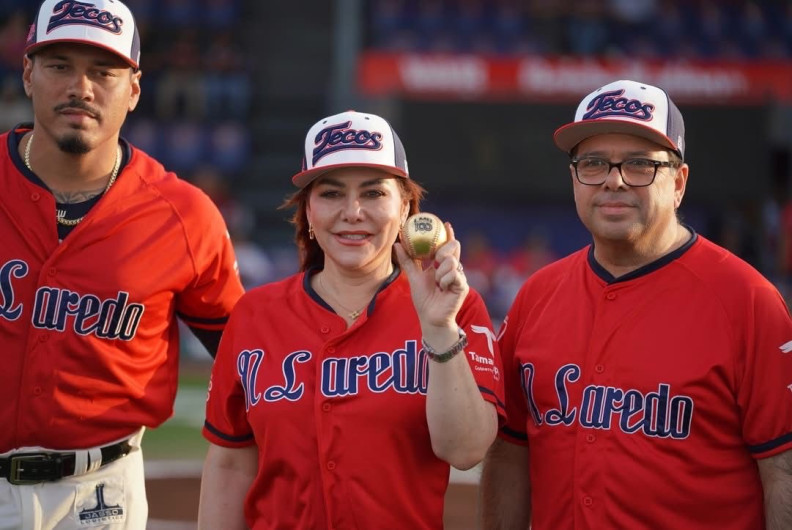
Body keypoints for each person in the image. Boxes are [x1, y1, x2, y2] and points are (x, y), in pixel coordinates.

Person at [480, 79, 792, 529]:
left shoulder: (748, 300)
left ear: (679, 182)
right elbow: (509, 452)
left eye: (640, 164)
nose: (614, 180)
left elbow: (782, 470)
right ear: (574, 179)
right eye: (593, 163)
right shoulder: (537, 295)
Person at [0, 1, 244, 528]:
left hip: (98, 496)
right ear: (27, 74)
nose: (80, 87)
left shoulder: (183, 216)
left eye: (103, 71)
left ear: (133, 89)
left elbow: (249, 359)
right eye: (59, 65)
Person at [198, 110, 505, 529]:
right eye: (331, 193)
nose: (353, 211)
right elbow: (231, 464)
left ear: (406, 209)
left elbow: (466, 450)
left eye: (374, 193)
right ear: (307, 210)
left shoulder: (458, 308)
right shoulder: (255, 315)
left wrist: (439, 330)